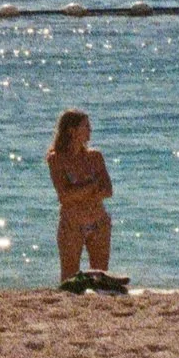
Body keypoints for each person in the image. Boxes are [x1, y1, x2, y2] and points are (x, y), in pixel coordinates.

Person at [47, 110, 126, 292]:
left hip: (99, 222)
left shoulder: (95, 157)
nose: (90, 130)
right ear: (72, 131)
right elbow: (64, 196)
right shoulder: (56, 159)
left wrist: (78, 192)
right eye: (86, 126)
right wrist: (90, 187)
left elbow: (107, 191)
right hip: (72, 224)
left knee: (101, 278)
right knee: (69, 282)